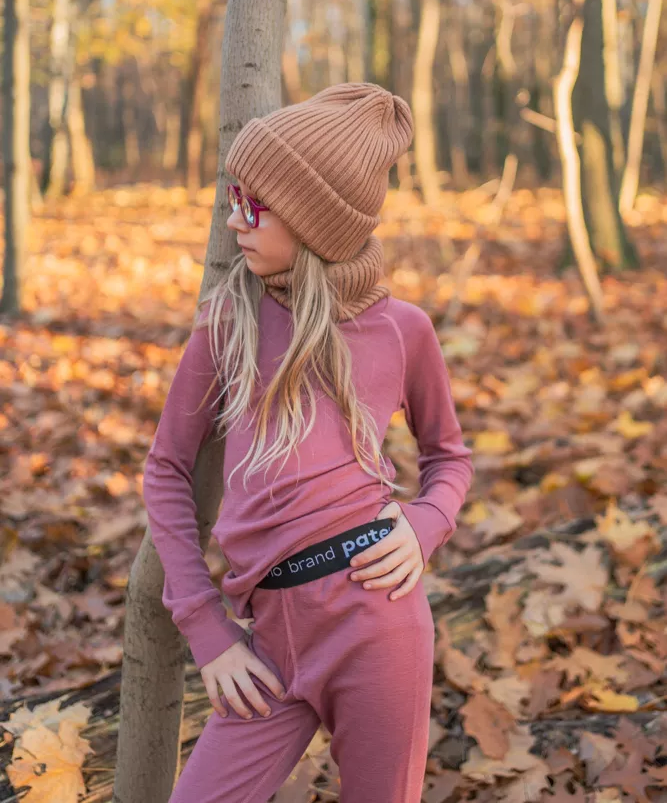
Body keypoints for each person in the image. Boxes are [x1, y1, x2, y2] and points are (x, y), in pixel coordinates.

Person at [142, 82, 474, 803]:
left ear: (313, 218)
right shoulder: (228, 320)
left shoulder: (401, 329)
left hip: (375, 618)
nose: (234, 222)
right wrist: (206, 629)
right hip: (264, 639)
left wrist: (425, 524)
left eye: (253, 207)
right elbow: (166, 468)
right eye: (232, 199)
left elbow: (448, 456)